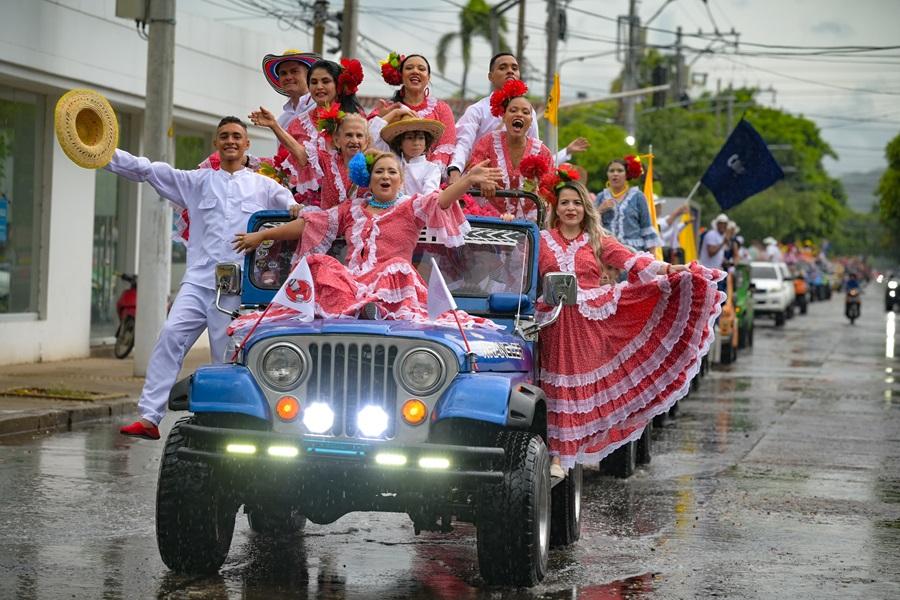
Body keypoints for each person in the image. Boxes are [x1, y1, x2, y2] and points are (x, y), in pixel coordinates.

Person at [105, 117, 296, 439]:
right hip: (197, 280)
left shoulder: (263, 186)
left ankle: (227, 425)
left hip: (236, 286)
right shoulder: (197, 181)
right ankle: (150, 417)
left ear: (247, 144)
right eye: (224, 136)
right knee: (170, 335)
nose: (231, 141)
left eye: (237, 136)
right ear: (216, 143)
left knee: (226, 355)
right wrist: (102, 154)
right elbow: (148, 170)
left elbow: (292, 209)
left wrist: (291, 213)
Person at [534, 175, 724, 477]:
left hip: (588, 326)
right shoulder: (541, 239)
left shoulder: (597, 240)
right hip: (553, 323)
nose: (571, 208)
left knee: (576, 390)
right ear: (556, 208)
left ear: (585, 208)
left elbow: (631, 260)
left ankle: (562, 457)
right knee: (555, 387)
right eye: (565, 203)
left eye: (577, 203)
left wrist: (668, 268)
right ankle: (556, 455)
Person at [231, 152, 504, 325]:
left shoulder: (411, 206)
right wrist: (263, 235)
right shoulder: (351, 209)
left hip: (393, 286)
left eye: (392, 172)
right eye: (379, 171)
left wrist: (467, 180)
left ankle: (373, 310)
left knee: (396, 266)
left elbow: (441, 200)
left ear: (400, 181)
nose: (385, 176)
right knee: (317, 264)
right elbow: (308, 224)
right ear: (369, 179)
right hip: (352, 285)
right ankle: (355, 309)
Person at [447, 53, 588, 182]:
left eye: (514, 68)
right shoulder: (477, 110)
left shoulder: (529, 112)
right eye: (502, 68)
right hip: (479, 187)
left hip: (518, 191)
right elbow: (463, 145)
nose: (510, 71)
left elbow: (535, 153)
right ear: (490, 77)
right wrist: (455, 172)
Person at [250, 58, 365, 205]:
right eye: (314, 82)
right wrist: (274, 127)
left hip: (354, 200)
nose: (319, 87)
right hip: (311, 204)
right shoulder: (297, 123)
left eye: (325, 81)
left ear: (337, 85)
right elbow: (287, 164)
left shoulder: (355, 118)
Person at [467, 79, 553, 220]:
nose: (519, 114)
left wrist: (540, 191)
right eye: (513, 110)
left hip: (529, 224)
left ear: (531, 121)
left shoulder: (543, 152)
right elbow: (472, 170)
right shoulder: (488, 142)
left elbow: (549, 190)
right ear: (504, 116)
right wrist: (482, 181)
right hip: (490, 221)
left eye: (525, 112)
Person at [376, 53, 457, 170]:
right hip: (392, 174)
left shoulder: (441, 109)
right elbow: (369, 138)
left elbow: (446, 145)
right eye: (409, 68)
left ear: (428, 77)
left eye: (421, 69)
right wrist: (383, 118)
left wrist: (428, 172)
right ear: (401, 75)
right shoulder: (387, 108)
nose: (415, 71)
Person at [597, 156, 663, 252]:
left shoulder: (638, 196)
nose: (615, 174)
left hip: (634, 252)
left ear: (627, 174)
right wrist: (600, 210)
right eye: (611, 171)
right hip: (607, 251)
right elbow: (590, 225)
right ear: (607, 174)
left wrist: (652, 258)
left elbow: (646, 228)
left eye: (620, 170)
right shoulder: (601, 197)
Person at [379, 115, 445, 196]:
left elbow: (429, 196)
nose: (416, 143)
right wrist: (396, 112)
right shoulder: (393, 162)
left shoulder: (431, 169)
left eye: (421, 138)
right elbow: (375, 136)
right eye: (410, 138)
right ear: (400, 143)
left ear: (426, 143)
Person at [260, 49, 321, 129]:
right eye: (283, 73)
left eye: (294, 71)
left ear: (309, 76)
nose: (288, 77)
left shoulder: (321, 106)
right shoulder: (282, 121)